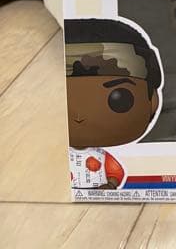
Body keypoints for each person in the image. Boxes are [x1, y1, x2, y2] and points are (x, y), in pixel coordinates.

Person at [64, 17, 163, 190]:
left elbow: (115, 172)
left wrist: (111, 184)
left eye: (118, 99)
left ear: (152, 101)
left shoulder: (102, 157)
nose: (79, 116)